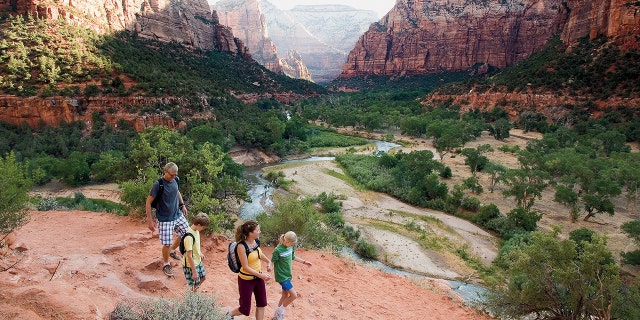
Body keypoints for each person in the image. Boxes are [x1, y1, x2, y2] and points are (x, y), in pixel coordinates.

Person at [145, 162, 189, 277]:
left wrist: (182, 205)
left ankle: (172, 251)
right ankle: (166, 264)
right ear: (165, 172)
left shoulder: (176, 180)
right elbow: (148, 202)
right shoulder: (158, 184)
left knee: (187, 234)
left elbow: (177, 191)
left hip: (177, 215)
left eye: (175, 175)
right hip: (165, 219)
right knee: (167, 243)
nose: (173, 177)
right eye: (171, 175)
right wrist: (150, 220)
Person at [228, 220, 273, 320]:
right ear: (250, 233)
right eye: (257, 230)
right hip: (246, 280)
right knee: (244, 309)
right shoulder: (241, 246)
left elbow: (259, 254)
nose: (260, 231)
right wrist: (261, 276)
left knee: (261, 304)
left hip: (258, 278)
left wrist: (268, 262)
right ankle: (229, 315)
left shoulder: (256, 241)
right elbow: (245, 267)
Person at [270, 231, 312, 320]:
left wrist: (304, 262)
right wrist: (269, 266)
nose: (293, 245)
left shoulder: (291, 247)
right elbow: (272, 260)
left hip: (288, 275)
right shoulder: (278, 250)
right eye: (292, 244)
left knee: (284, 295)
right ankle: (279, 312)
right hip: (281, 277)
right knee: (294, 295)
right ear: (286, 241)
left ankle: (276, 316)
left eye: (294, 244)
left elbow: (293, 257)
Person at [181, 212, 210, 292]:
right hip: (191, 265)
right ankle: (192, 297)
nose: (203, 229)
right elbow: (189, 255)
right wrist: (194, 271)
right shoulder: (189, 236)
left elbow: (195, 245)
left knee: (203, 278)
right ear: (199, 225)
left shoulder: (196, 231)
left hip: (197, 261)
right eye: (203, 227)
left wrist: (200, 252)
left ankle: (193, 293)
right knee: (194, 283)